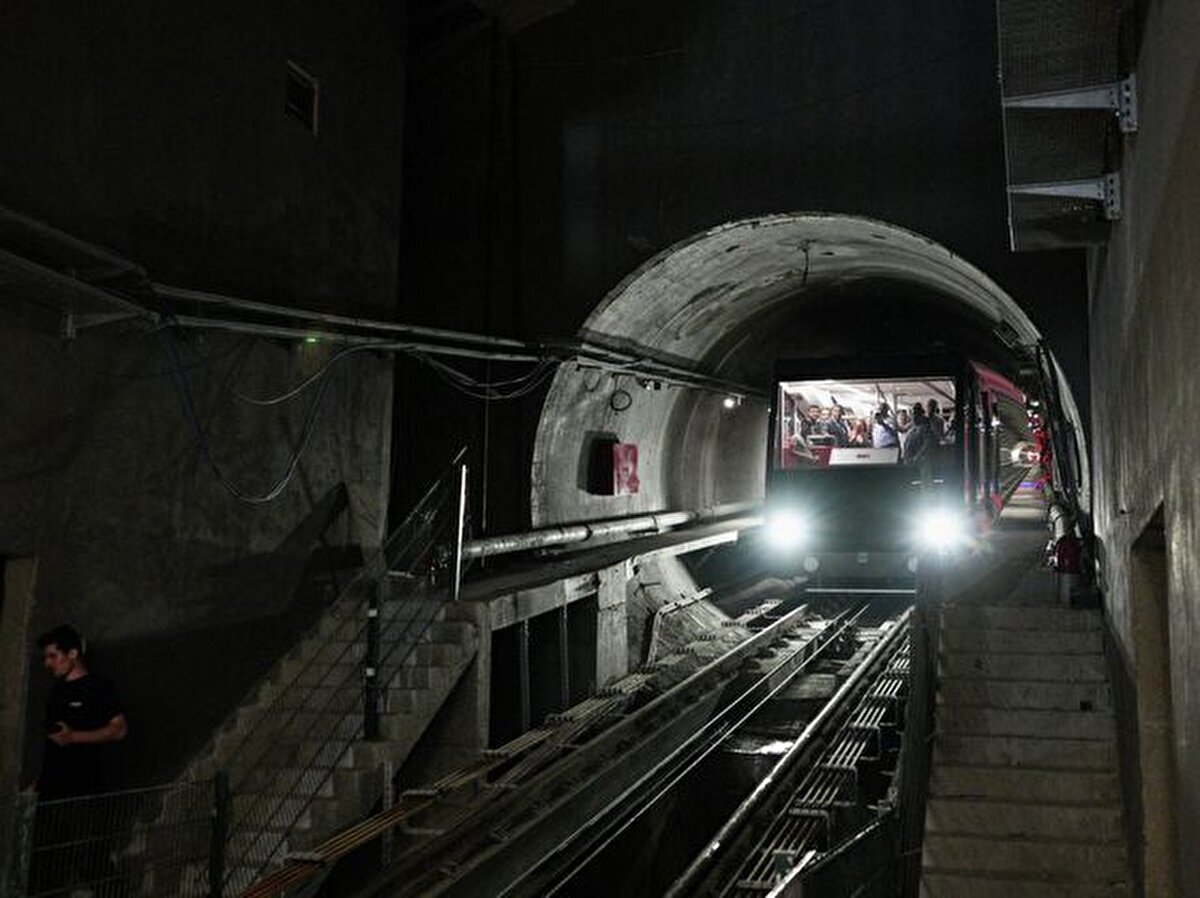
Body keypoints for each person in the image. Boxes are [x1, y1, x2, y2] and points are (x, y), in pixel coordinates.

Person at [37, 625, 128, 800]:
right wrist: (38, 785)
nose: (47, 663)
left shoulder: (99, 687)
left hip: (87, 791)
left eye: (53, 656)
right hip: (53, 794)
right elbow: (52, 747)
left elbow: (120, 729)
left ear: (73, 653)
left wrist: (73, 737)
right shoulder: (55, 693)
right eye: (45, 658)